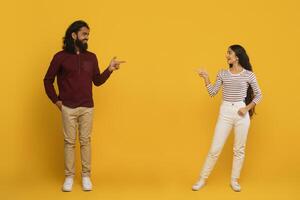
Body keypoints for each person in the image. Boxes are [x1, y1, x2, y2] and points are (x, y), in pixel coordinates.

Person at [43, 20, 125, 192]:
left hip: (87, 107)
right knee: (69, 142)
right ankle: (69, 177)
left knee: (85, 141)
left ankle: (86, 176)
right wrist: (56, 101)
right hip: (68, 108)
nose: (87, 38)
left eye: (88, 35)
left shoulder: (91, 57)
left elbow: (97, 81)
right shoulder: (60, 57)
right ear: (74, 35)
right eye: (84, 34)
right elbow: (47, 80)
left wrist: (109, 69)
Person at [192, 45, 262, 192]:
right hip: (225, 112)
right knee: (215, 149)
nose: (226, 55)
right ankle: (202, 179)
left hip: (241, 112)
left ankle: (234, 180)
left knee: (239, 149)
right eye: (227, 53)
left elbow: (259, 95)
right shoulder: (223, 73)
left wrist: (246, 108)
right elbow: (212, 92)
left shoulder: (249, 75)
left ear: (237, 56)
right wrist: (206, 77)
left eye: (229, 53)